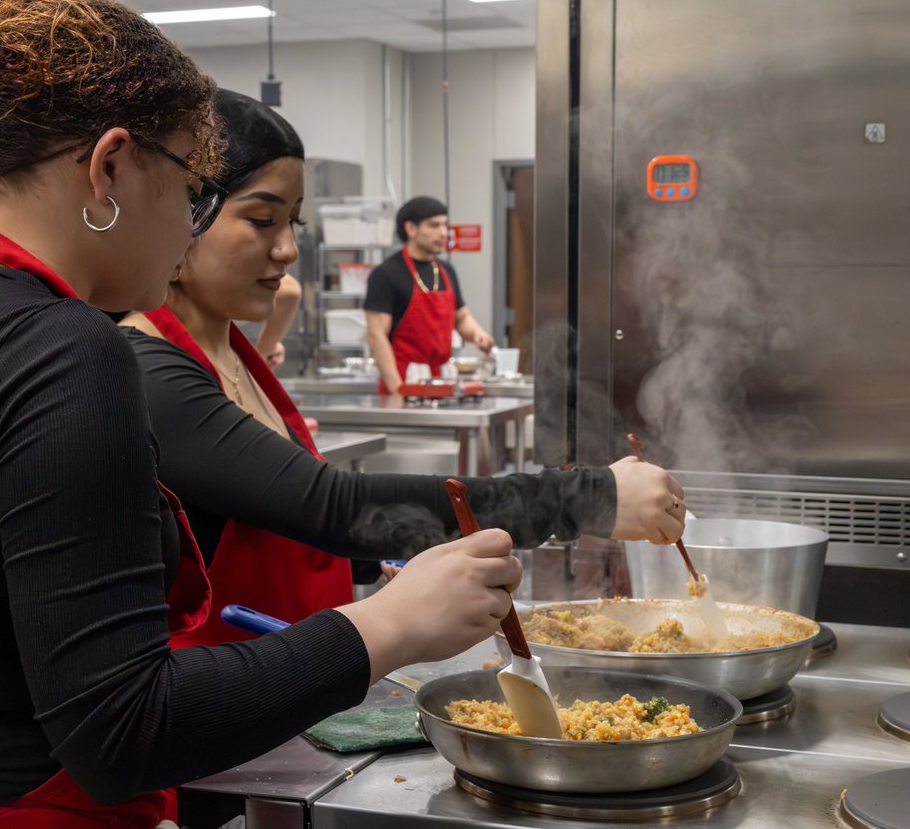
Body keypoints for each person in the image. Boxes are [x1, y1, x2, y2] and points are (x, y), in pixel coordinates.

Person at [0, 0, 524, 829]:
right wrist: (387, 624)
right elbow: (123, 729)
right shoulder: (65, 349)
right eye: (191, 188)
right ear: (111, 166)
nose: (188, 226)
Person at [121, 89, 688, 647]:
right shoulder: (148, 375)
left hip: (300, 695)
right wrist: (584, 497)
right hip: (229, 708)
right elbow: (330, 506)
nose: (288, 249)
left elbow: (279, 520)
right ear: (184, 213)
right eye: (263, 219)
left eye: (293, 221)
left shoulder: (237, 359)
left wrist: (370, 568)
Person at [364, 196, 497, 395]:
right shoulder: (386, 274)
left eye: (445, 225)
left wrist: (478, 334)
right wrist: (397, 389)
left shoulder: (446, 270)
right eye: (434, 225)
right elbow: (377, 336)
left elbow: (461, 317)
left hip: (443, 376)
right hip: (406, 377)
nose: (443, 233)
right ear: (411, 229)